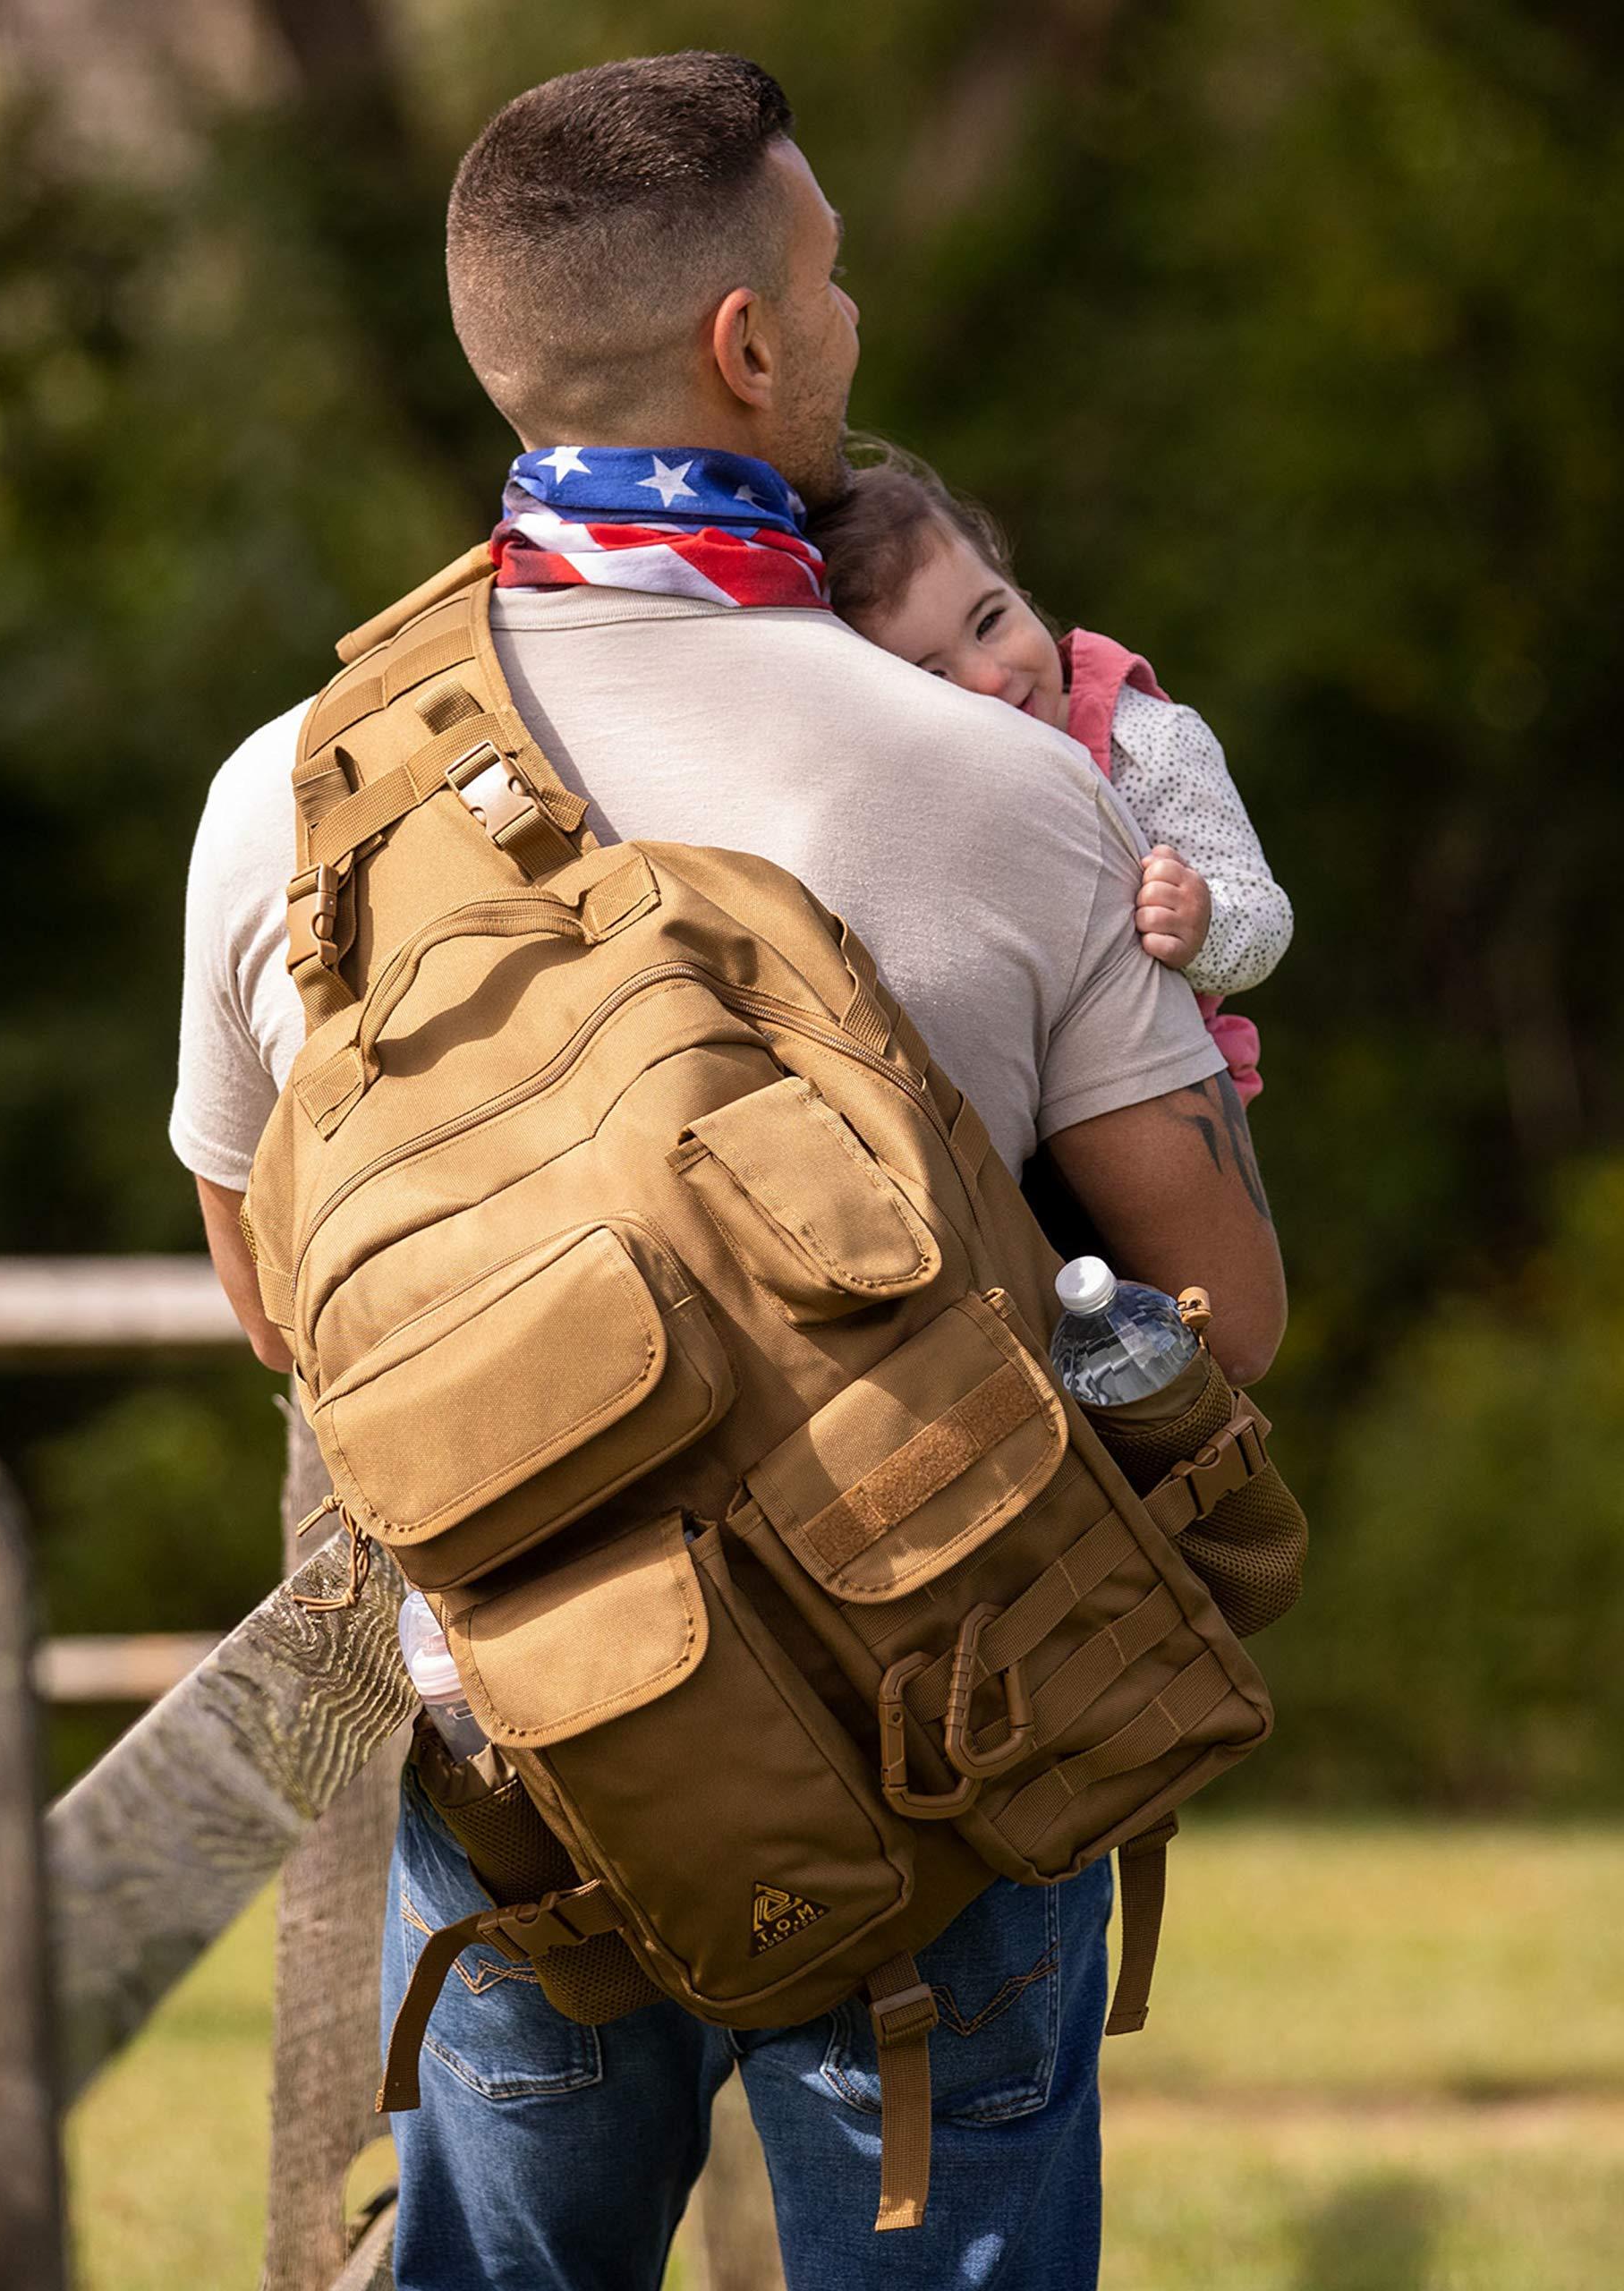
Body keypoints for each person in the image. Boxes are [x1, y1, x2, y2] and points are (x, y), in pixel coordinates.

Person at [172, 51, 1286, 2291]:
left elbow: (288, 1301)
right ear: (746, 347)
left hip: (524, 1750)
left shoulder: (285, 789)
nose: (853, 321)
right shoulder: (999, 779)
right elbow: (1220, 1322)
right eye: (833, 276)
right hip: (943, 1744)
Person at [812, 445, 1294, 1104]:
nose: (990, 676)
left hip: (1167, 1097)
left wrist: (1203, 925)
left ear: (1020, 590)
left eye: (990, 621)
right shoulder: (918, 803)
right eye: (932, 676)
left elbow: (1265, 916)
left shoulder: (1147, 742)